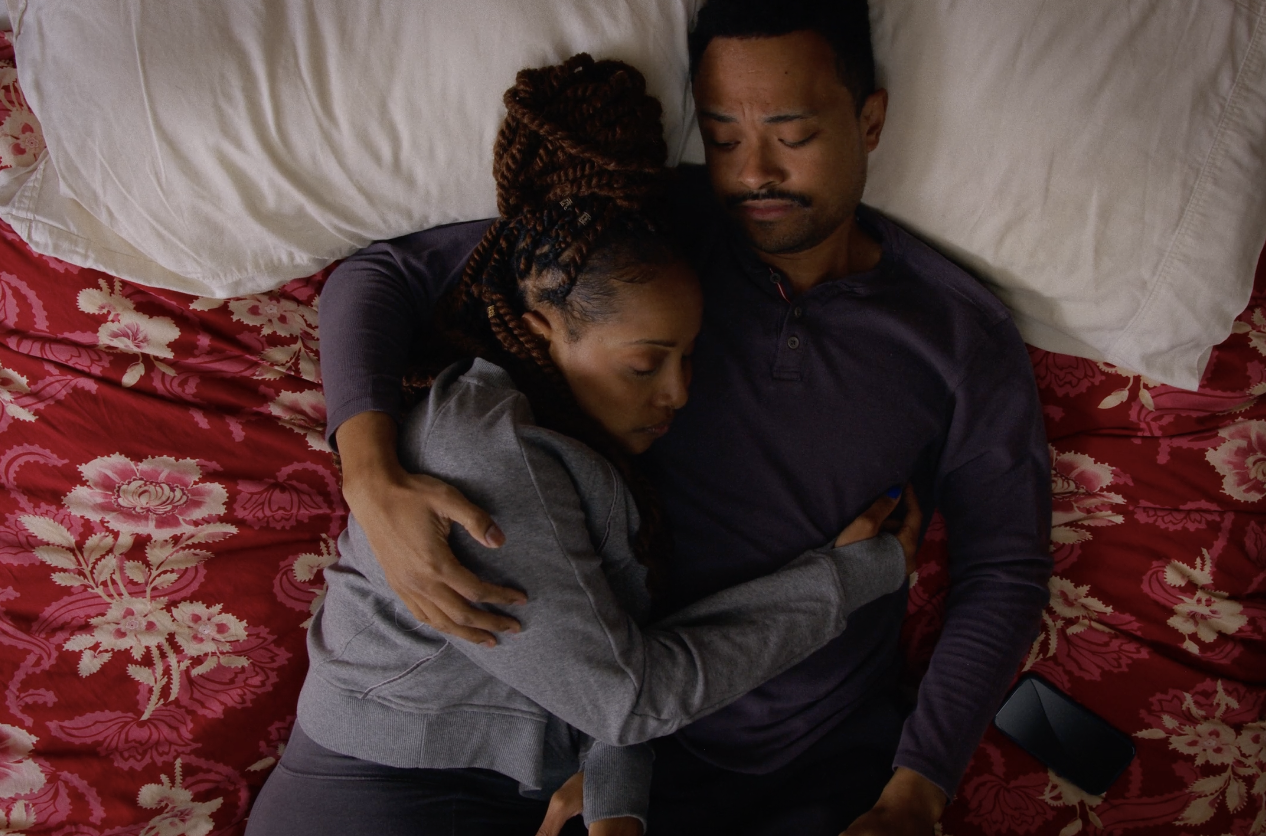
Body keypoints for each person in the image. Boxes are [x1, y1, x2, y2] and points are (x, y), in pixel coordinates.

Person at [319, 1, 1054, 834]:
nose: (753, 174)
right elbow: (378, 278)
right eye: (723, 137)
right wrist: (370, 474)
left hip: (825, 763)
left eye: (794, 134)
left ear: (870, 118)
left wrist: (917, 790)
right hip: (614, 751)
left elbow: (1005, 569)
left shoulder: (960, 333)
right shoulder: (648, 246)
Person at [246, 54, 920, 836]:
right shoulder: (485, 442)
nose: (678, 392)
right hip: (378, 795)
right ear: (541, 329)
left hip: (506, 794)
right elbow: (627, 694)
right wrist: (849, 579)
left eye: (688, 357)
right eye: (646, 364)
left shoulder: (592, 411)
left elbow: (602, 643)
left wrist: (618, 798)